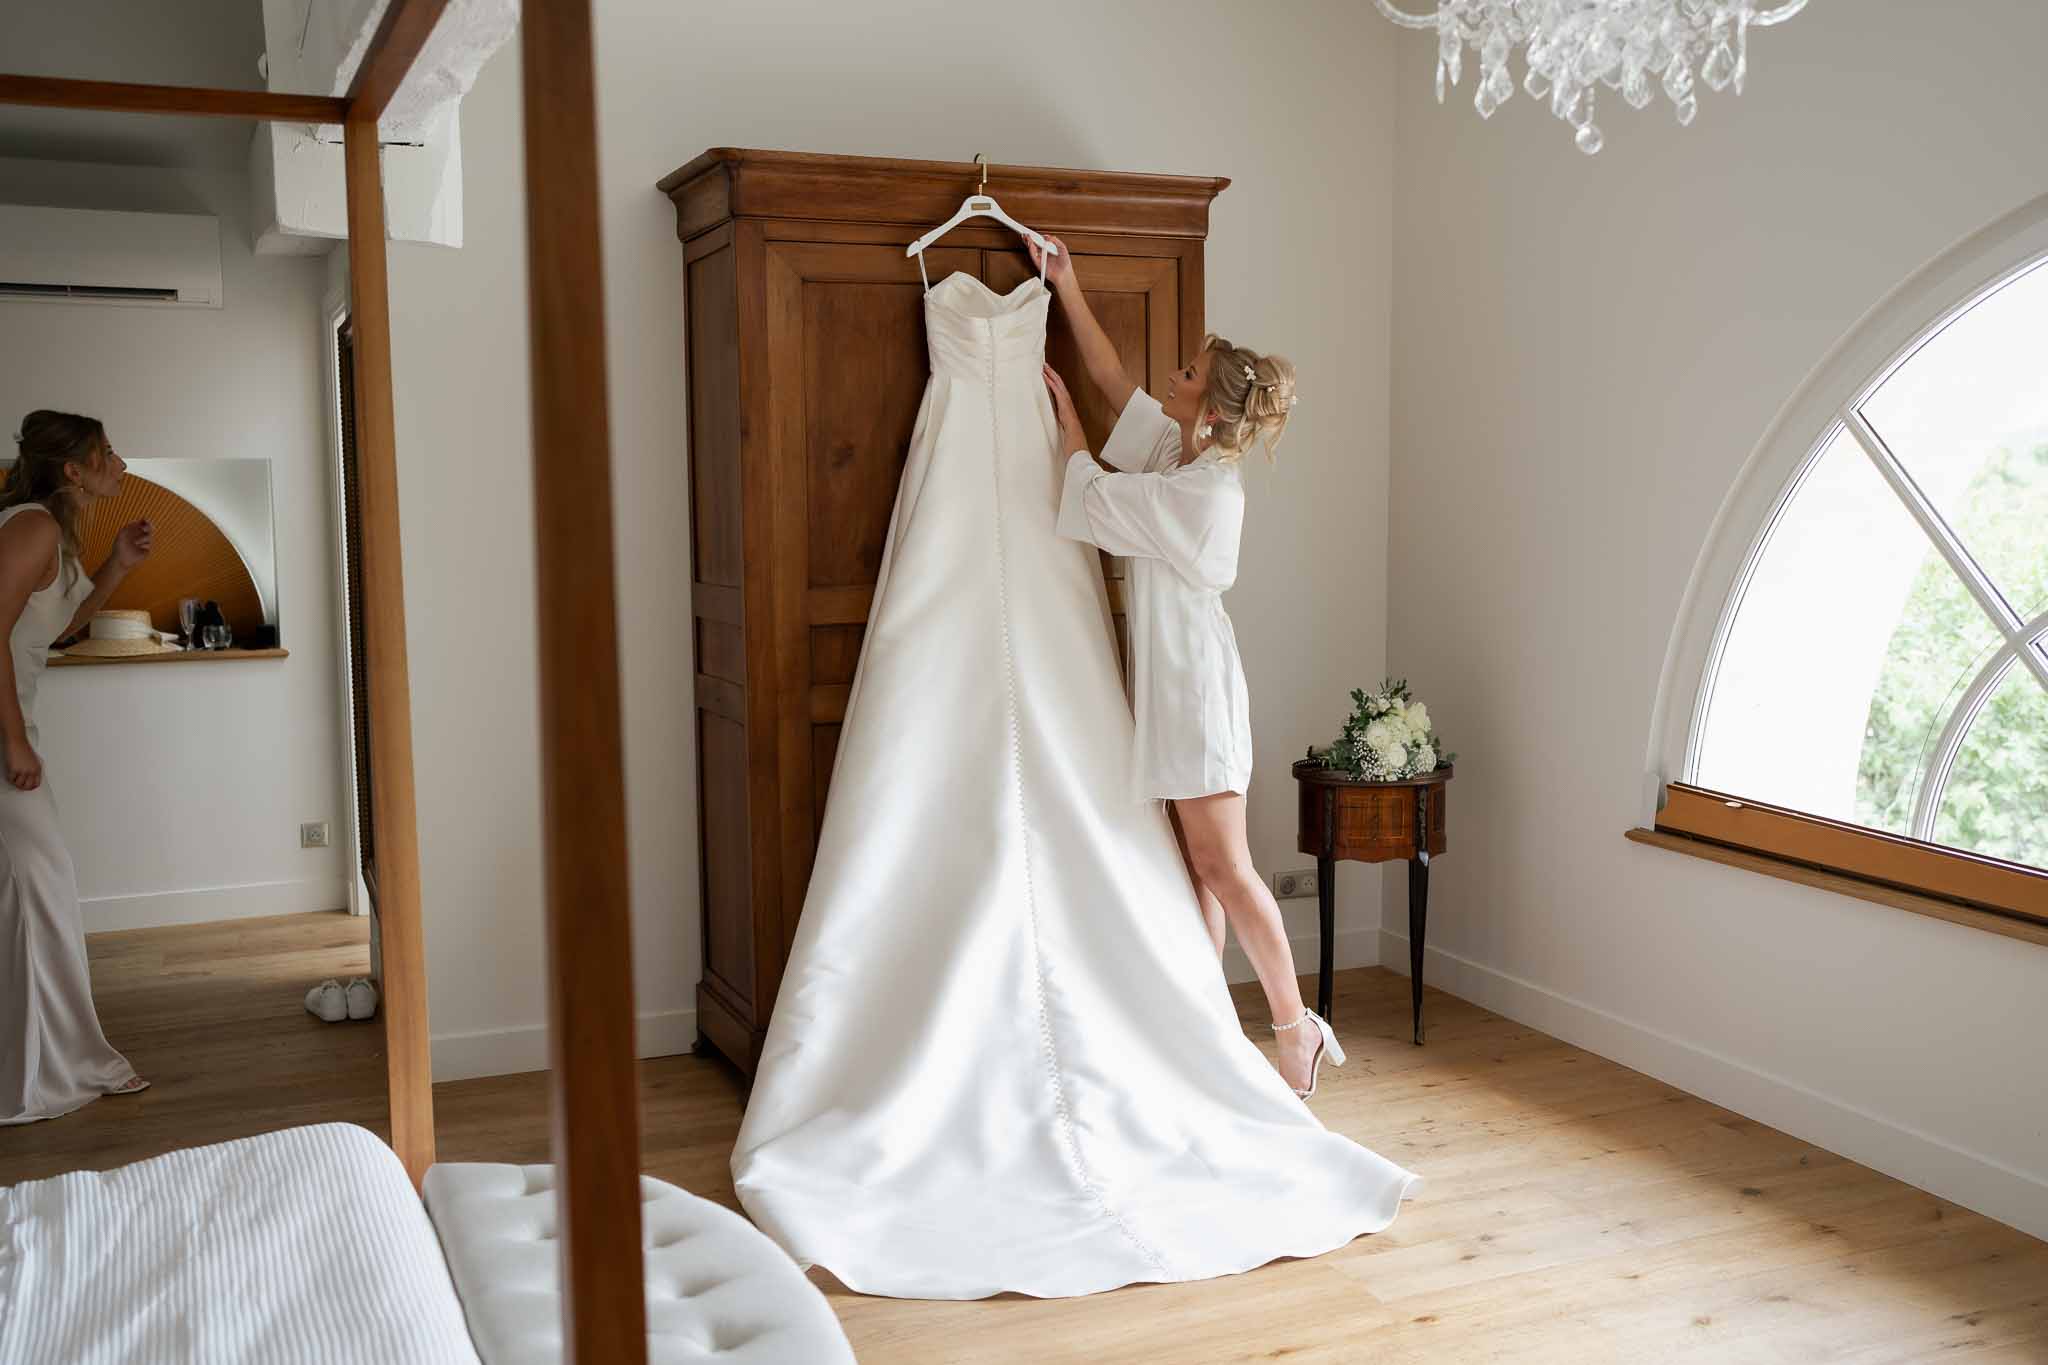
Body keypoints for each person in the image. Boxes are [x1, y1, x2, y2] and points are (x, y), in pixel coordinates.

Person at [1033, 236, 1336, 1098]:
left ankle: (1293, 1027)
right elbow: (1112, 384)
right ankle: (1206, 1028)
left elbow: (1089, 494)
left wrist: (1068, 436)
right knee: (1195, 872)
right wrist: (1067, 285)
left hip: (1196, 694)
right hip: (1172, 690)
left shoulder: (1201, 495)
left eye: (1189, 373)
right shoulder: (1182, 460)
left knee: (1224, 868)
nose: (1174, 374)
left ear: (1209, 408)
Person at [0, 409, 154, 1124]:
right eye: (107, 453)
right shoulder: (30, 527)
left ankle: (50, 1059)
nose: (116, 461)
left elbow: (57, 626)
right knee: (44, 888)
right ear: (74, 470)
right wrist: (13, 743)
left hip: (14, 728)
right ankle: (54, 1066)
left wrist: (117, 565)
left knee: (35, 893)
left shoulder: (54, 535)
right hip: (4, 737)